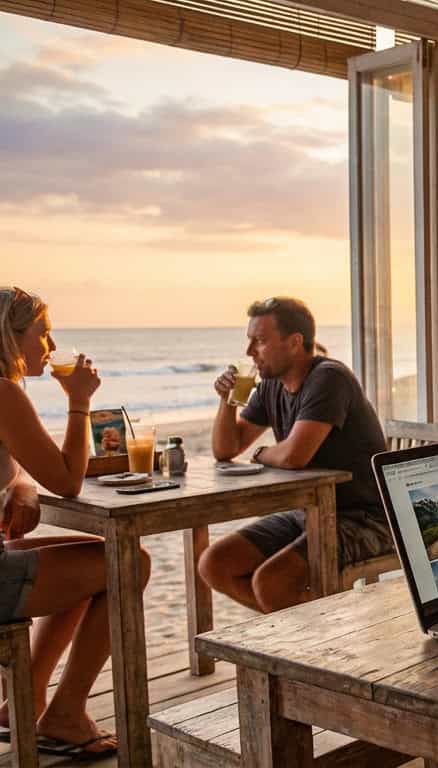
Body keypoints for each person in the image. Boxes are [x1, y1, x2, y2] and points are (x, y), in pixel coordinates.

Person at [0, 287, 153, 759]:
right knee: (129, 562)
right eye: (42, 334)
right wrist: (79, 401)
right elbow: (67, 482)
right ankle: (66, 715)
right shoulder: (2, 392)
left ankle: (20, 702)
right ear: (11, 336)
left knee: (89, 562)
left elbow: (24, 466)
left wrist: (20, 485)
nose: (49, 346)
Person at [199, 297, 393, 614]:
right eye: (249, 340)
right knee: (214, 563)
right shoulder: (270, 386)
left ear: (294, 343)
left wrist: (261, 453)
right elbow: (226, 449)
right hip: (311, 512)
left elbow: (294, 457)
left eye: (259, 341)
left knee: (270, 583)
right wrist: (227, 402)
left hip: (368, 518)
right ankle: (302, 637)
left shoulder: (329, 378)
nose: (250, 352)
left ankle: (302, 643)